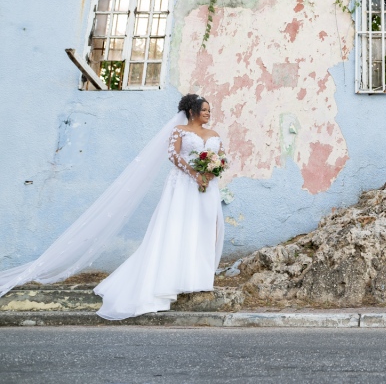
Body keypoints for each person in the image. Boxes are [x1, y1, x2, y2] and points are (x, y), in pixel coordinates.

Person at [0, 94, 225, 320]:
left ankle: (199, 278)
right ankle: (173, 278)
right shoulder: (179, 130)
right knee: (178, 228)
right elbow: (173, 155)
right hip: (184, 186)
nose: (208, 113)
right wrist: (194, 173)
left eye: (209, 110)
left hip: (207, 187)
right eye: (204, 109)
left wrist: (212, 170)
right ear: (192, 111)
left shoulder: (214, 135)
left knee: (204, 228)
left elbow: (221, 158)